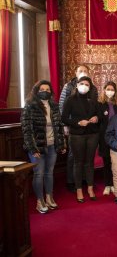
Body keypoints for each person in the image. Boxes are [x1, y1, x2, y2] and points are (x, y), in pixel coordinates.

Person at [21, 80, 66, 213]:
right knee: (39, 174)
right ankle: (39, 201)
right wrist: (32, 148)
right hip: (37, 146)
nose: (45, 91)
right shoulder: (30, 105)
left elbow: (59, 127)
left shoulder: (54, 105)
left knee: (49, 173)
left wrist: (62, 143)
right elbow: (26, 129)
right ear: (36, 91)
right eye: (42, 89)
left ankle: (49, 197)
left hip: (52, 145)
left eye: (47, 89)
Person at [59, 65, 98, 193]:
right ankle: (73, 182)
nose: (83, 72)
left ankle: (86, 181)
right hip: (74, 130)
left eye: (85, 71)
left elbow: (96, 109)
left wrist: (95, 118)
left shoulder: (93, 90)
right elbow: (62, 109)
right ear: (76, 73)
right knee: (74, 158)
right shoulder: (68, 87)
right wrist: (68, 126)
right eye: (80, 71)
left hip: (90, 132)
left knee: (88, 159)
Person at [97, 81, 117, 196]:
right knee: (106, 161)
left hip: (116, 136)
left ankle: (115, 184)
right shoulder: (99, 104)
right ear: (104, 90)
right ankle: (107, 184)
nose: (110, 91)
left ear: (115, 91)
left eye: (112, 89)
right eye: (108, 89)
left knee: (115, 162)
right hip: (104, 136)